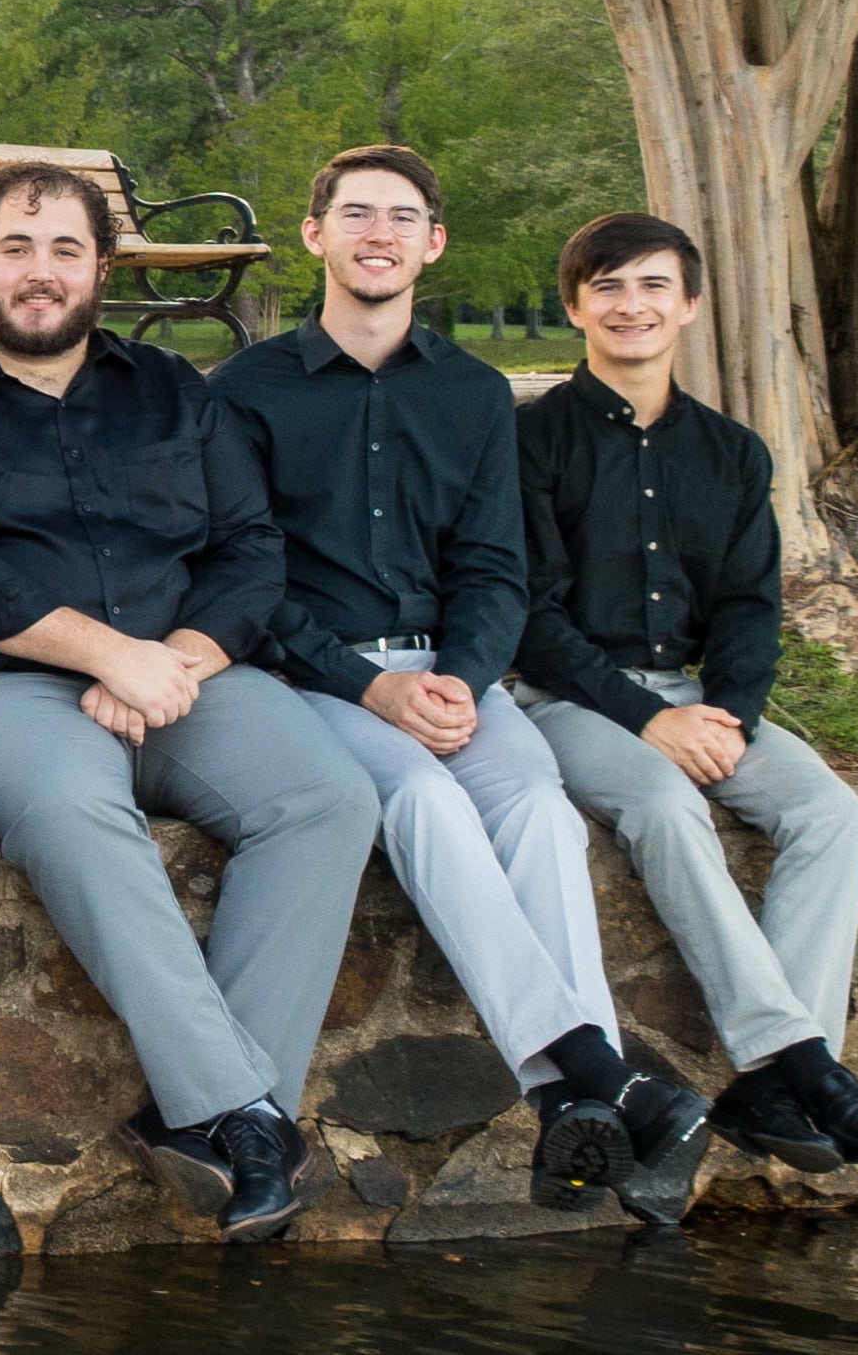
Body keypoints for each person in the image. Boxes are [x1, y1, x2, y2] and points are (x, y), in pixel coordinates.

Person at [0, 163, 377, 1241]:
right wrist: (108, 654)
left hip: (179, 673)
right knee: (73, 808)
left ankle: (208, 1120)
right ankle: (245, 1110)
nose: (40, 272)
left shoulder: (174, 390)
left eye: (65, 249)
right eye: (16, 247)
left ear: (102, 268)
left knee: (328, 796)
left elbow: (250, 549)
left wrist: (176, 661)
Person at [215, 148, 704, 1212]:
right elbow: (249, 579)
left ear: (433, 241)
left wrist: (468, 677)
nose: (377, 232)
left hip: (451, 670)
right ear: (316, 235)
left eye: (402, 216)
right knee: (427, 801)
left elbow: (496, 564)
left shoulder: (475, 392)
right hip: (318, 682)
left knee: (535, 801)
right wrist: (371, 688)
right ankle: (598, 1083)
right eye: (355, 213)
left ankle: (582, 1105)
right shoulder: (248, 391)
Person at [512, 211, 858, 1176]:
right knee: (662, 804)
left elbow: (747, 606)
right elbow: (529, 613)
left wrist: (725, 712)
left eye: (652, 285)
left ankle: (774, 1086)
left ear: (688, 304)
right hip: (572, 699)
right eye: (606, 286)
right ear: (575, 307)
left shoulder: (733, 453)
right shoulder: (532, 442)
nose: (630, 304)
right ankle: (800, 1060)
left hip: (700, 694)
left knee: (833, 815)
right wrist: (651, 718)